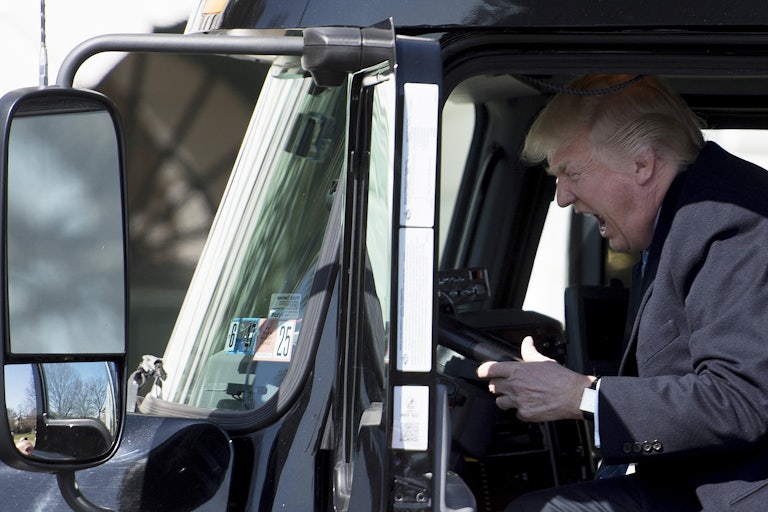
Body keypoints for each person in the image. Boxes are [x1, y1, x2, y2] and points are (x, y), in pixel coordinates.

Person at [477, 74, 768, 511]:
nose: (561, 197)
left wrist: (580, 395)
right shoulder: (675, 222)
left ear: (641, 164)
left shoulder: (731, 222)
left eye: (571, 172)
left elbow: (741, 401)